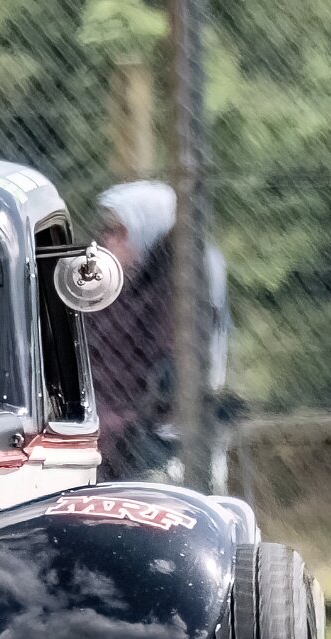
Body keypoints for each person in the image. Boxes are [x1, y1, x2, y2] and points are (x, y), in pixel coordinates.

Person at [87, 181, 232, 480]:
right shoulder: (118, 290)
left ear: (146, 232)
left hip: (156, 446)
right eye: (105, 231)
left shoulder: (177, 291)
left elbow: (163, 392)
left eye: (119, 232)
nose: (106, 242)